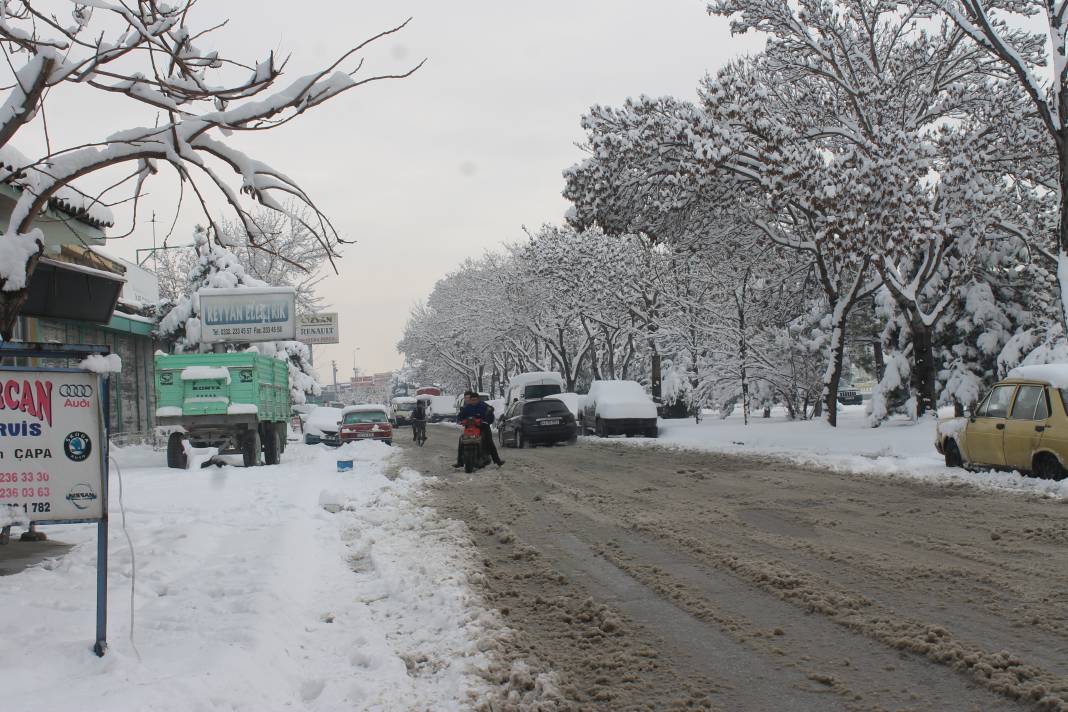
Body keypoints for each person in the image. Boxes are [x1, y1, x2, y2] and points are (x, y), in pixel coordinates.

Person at [453, 391, 504, 467]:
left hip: (483, 428)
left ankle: (497, 460)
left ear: (478, 399)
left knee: (489, 442)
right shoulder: (467, 407)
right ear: (470, 400)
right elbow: (460, 416)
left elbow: (490, 415)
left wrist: (486, 421)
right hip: (470, 428)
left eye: (475, 399)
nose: (473, 401)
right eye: (472, 400)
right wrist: (460, 421)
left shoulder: (484, 406)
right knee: (461, 440)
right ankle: (460, 462)